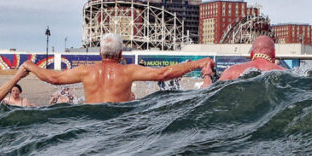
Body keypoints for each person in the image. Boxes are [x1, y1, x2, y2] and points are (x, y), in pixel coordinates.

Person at [23, 33, 214, 104]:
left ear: (99, 52)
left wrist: (31, 66)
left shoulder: (85, 71)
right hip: (118, 121)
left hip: (89, 122)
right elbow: (163, 74)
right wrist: (198, 63)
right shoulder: (128, 71)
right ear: (121, 53)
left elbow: (53, 78)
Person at [217, 36, 287, 81]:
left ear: (251, 54)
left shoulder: (231, 71)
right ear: (274, 54)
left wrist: (207, 74)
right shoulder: (285, 73)